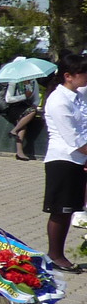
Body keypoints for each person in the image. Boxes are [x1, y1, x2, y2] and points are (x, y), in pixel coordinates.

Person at [40, 53, 87, 273]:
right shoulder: (58, 100)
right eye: (83, 73)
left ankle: (57, 254)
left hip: (77, 160)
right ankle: (54, 255)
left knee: (68, 210)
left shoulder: (75, 95)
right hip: (63, 159)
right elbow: (74, 139)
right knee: (60, 210)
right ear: (68, 76)